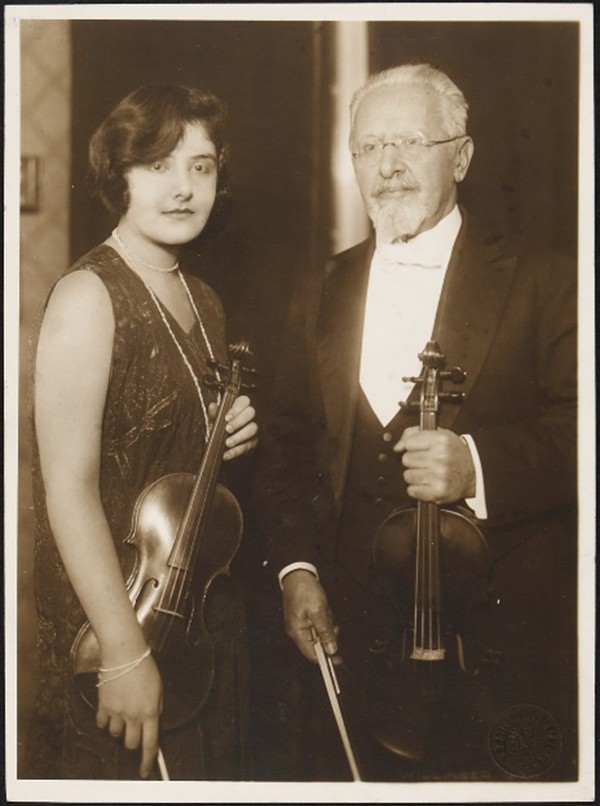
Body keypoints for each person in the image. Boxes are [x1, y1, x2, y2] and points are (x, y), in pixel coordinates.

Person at [255, 64, 577, 782]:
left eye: (408, 142)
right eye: (369, 148)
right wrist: (296, 569)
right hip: (349, 658)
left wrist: (478, 465)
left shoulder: (548, 279)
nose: (388, 167)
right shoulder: (320, 289)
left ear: (459, 156)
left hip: (499, 661)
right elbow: (285, 449)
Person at [26, 83, 258, 781]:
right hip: (114, 624)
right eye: (158, 166)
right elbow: (67, 488)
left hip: (196, 619)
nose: (184, 188)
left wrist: (226, 433)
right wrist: (124, 652)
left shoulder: (203, 297)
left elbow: (173, 436)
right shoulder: (87, 295)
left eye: (202, 166)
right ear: (119, 176)